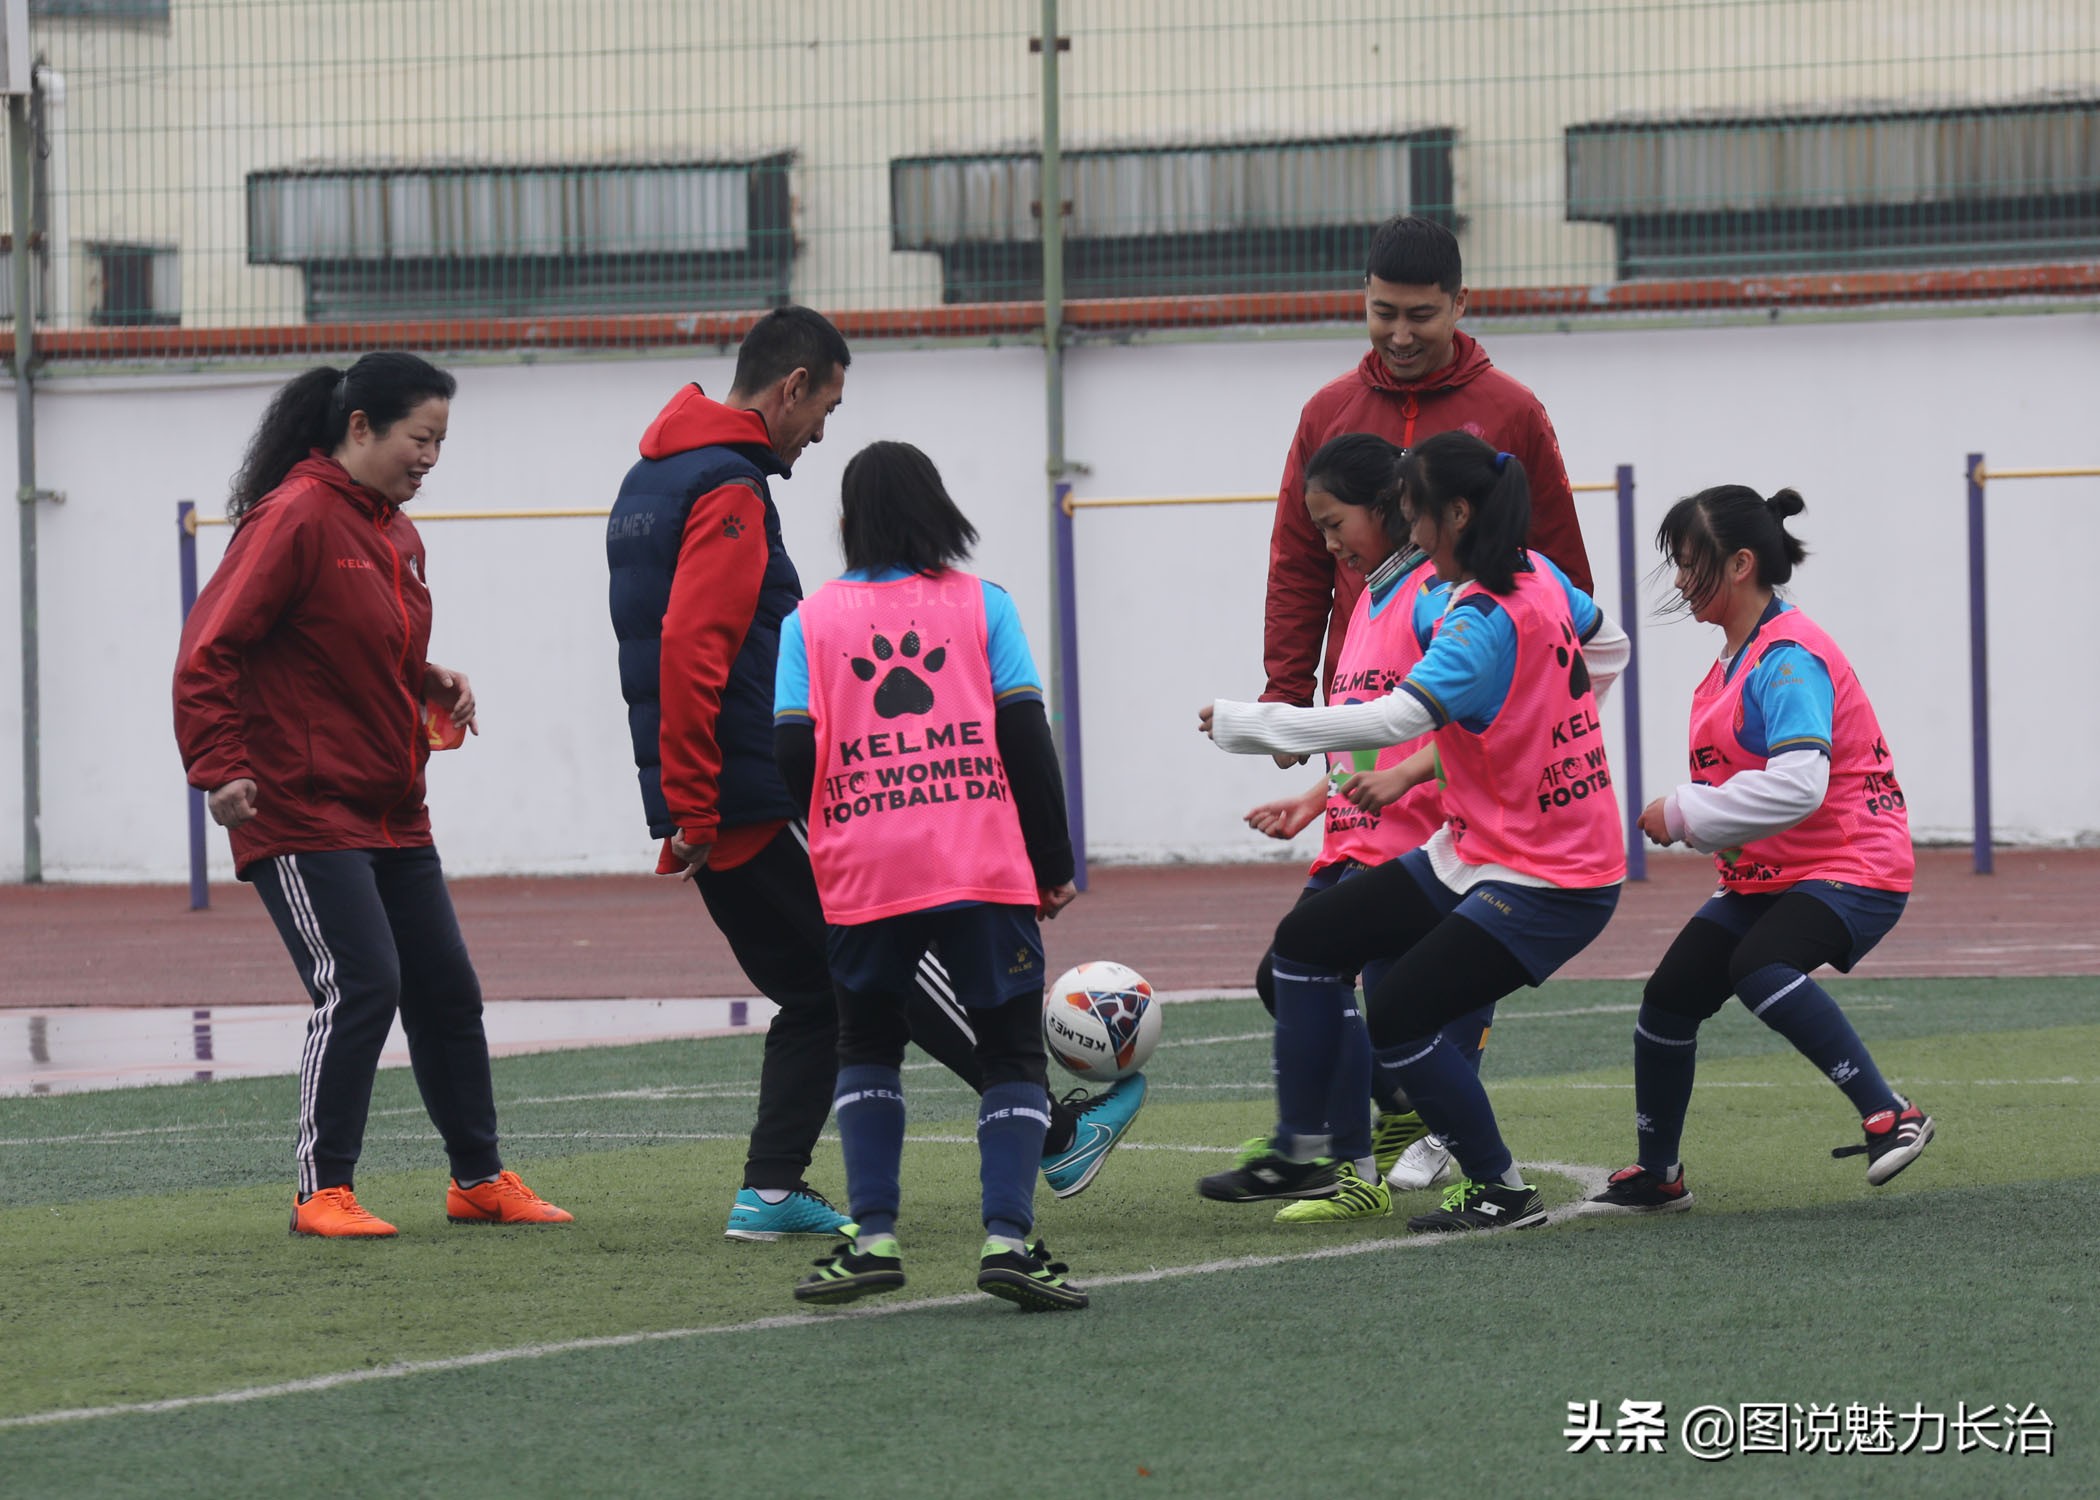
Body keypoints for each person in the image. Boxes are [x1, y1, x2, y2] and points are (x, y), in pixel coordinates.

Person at [606, 308, 1142, 1242]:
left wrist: (679, 798)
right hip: (752, 792)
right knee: (887, 973)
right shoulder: (729, 488)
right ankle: (1053, 1132)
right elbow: (694, 648)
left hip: (706, 787)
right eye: (826, 408)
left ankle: (769, 1191)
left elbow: (658, 647)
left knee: (817, 991)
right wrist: (696, 804)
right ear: (793, 386)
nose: (821, 432)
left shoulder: (652, 476)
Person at [173, 352, 571, 1238]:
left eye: (440, 441)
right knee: (361, 983)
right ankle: (322, 1191)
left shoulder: (394, 532)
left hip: (393, 807)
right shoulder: (295, 515)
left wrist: (426, 677)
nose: (431, 457)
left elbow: (345, 643)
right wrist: (219, 764)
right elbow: (209, 651)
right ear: (361, 428)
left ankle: (477, 1179)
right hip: (300, 807)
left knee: (447, 991)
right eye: (420, 438)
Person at [1199, 431, 1628, 1234]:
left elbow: (1395, 715)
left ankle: (1499, 1186)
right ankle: (1308, 1146)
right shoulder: (1538, 577)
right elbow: (1609, 647)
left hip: (1550, 876)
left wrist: (1251, 725)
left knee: (1398, 1014)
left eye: (1415, 513)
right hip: (1471, 849)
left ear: (1456, 514)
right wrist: (1535, 717)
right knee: (1304, 945)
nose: (1409, 530)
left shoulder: (1482, 617)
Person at [778, 441, 1088, 1311]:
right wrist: (1054, 862)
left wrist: (846, 820)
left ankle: (873, 1237)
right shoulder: (983, 605)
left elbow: (791, 750)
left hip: (866, 865)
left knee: (868, 1041)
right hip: (980, 857)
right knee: (1009, 1051)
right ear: (940, 513)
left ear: (847, 525)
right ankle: (1007, 1242)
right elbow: (1026, 735)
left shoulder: (810, 622)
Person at [1585, 486, 1932, 1215]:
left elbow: (1802, 784)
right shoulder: (1734, 662)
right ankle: (1660, 1174)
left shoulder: (1787, 657)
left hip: (1852, 866)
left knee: (1758, 968)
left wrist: (1684, 812)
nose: (1679, 581)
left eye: (1689, 563)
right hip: (1773, 875)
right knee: (1669, 1000)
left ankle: (1891, 1113)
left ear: (1741, 563)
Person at [1237, 432, 1495, 1218]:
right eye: (1314, 529)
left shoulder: (1435, 598)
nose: (1326, 543)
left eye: (1333, 523)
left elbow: (1479, 723)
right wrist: (1320, 798)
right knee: (1332, 992)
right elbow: (1368, 724)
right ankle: (1377, 1136)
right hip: (1354, 836)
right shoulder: (1371, 602)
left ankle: (1328, 1153)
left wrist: (1251, 726)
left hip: (1413, 844)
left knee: (1311, 973)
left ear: (1388, 508)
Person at [1263, 215, 1593, 729]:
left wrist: (1555, 700)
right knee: (1360, 812)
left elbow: (1558, 563)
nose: (1400, 336)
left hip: (1484, 706)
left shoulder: (1513, 411)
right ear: (1364, 296)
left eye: (1421, 315)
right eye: (1384, 313)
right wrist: (1286, 693)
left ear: (1459, 303)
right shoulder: (1326, 413)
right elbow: (1298, 563)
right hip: (1361, 702)